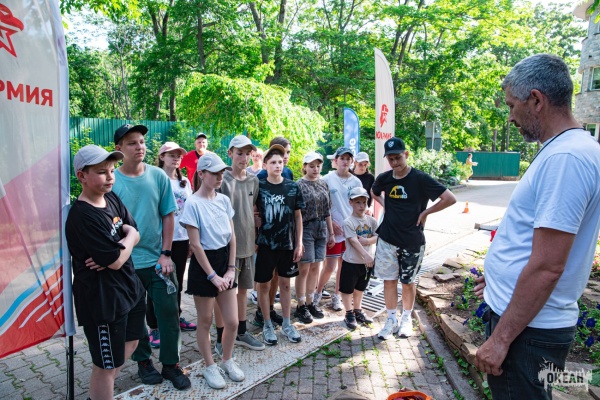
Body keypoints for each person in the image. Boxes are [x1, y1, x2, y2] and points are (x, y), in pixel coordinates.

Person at [473, 54, 600, 399]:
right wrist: (500, 278)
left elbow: (548, 266)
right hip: (528, 325)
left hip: (527, 334)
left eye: (512, 106)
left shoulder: (566, 159)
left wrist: (500, 340)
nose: (510, 116)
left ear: (536, 100)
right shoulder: (568, 150)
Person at [112, 124, 191, 390]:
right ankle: (143, 362)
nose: (140, 147)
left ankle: (171, 364)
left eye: (142, 142)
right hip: (126, 264)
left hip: (159, 261)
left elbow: (168, 215)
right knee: (133, 317)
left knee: (169, 313)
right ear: (119, 149)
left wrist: (166, 253)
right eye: (132, 143)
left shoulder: (158, 176)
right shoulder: (112, 181)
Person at [66, 145, 144, 400]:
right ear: (82, 176)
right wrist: (124, 243)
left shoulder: (111, 198)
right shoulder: (82, 215)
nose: (110, 177)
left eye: (111, 170)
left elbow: (135, 232)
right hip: (103, 302)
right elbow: (116, 260)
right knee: (105, 366)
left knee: (131, 342)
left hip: (129, 290)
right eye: (102, 172)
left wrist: (124, 242)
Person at [372, 137, 456, 340]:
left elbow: (449, 198)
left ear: (406, 155)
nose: (395, 162)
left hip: (412, 241)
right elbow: (374, 192)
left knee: (408, 282)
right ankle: (391, 319)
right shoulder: (385, 178)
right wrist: (385, 204)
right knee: (389, 281)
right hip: (387, 238)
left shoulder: (420, 178)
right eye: (391, 159)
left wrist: (426, 212)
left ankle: (406, 319)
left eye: (398, 157)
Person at [180, 152, 245, 390]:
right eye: (214, 173)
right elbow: (195, 245)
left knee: (232, 321)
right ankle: (209, 365)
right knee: (205, 320)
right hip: (203, 266)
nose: (219, 177)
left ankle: (227, 360)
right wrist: (212, 276)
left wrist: (230, 269)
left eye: (221, 173)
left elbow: (232, 237)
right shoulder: (193, 203)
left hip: (224, 263)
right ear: (201, 173)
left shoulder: (224, 200)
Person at [145, 142, 196, 349]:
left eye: (179, 155)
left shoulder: (184, 183)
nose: (176, 158)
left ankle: (176, 316)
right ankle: (154, 326)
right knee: (157, 283)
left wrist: (192, 239)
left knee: (177, 282)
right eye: (171, 155)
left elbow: (190, 211)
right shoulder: (154, 179)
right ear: (161, 157)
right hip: (160, 241)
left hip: (181, 239)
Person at [216, 135, 265, 353]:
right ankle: (220, 337)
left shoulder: (254, 180)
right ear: (230, 153)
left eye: (247, 153)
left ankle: (241, 333)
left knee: (243, 290)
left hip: (247, 245)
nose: (244, 158)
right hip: (226, 248)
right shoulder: (222, 180)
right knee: (224, 294)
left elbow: (251, 208)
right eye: (239, 153)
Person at [255, 144, 305, 345]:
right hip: (266, 244)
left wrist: (299, 243)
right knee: (264, 285)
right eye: (273, 162)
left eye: (280, 162)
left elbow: (298, 217)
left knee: (285, 284)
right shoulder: (259, 186)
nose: (277, 165)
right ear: (265, 165)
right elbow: (253, 212)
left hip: (287, 244)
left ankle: (286, 323)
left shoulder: (292, 187)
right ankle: (267, 324)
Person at [314, 147, 362, 312]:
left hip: (350, 230)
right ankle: (317, 293)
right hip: (333, 230)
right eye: (342, 158)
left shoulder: (356, 182)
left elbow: (360, 205)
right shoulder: (327, 179)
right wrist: (331, 223)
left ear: (352, 161)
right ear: (335, 160)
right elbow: (321, 204)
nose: (345, 161)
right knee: (330, 266)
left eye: (348, 159)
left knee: (344, 266)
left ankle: (337, 296)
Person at [254, 137, 293, 326]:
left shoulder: (288, 173)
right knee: (265, 279)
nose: (285, 157)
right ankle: (260, 312)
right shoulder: (261, 176)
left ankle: (270, 308)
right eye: (282, 153)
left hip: (284, 238)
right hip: (266, 238)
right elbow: (255, 206)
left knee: (278, 276)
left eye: (287, 153)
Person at [294, 151, 334, 323]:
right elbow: (296, 214)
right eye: (311, 166)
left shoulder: (323, 183)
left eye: (318, 166)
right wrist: (298, 238)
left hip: (322, 227)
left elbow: (327, 210)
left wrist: (331, 232)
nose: (315, 169)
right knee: (304, 267)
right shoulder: (299, 185)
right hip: (306, 227)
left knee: (316, 266)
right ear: (305, 167)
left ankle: (311, 302)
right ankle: (300, 304)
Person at [340, 187, 378, 330]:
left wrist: (367, 241)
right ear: (351, 202)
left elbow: (377, 236)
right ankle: (348, 313)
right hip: (352, 261)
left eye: (364, 202)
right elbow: (353, 241)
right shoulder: (348, 222)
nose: (361, 206)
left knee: (360, 288)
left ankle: (357, 310)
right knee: (347, 289)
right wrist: (366, 255)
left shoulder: (372, 220)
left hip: (366, 263)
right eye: (358, 202)